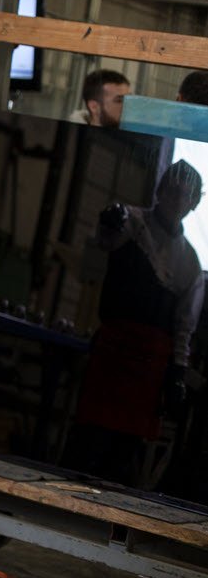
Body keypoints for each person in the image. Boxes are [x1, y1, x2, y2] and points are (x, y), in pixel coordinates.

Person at [65, 160, 205, 488]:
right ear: (159, 189)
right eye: (171, 189)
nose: (175, 198)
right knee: (87, 439)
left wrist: (177, 373)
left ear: (194, 203)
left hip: (150, 365)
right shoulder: (132, 221)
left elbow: (184, 326)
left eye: (185, 194)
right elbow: (105, 239)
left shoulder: (190, 261)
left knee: (123, 455)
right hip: (113, 349)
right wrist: (109, 221)